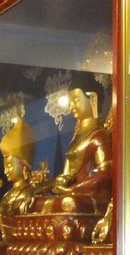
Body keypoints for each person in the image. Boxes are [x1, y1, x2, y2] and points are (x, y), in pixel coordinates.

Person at [36, 72, 113, 214]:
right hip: (72, 194)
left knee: (69, 203)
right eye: (70, 101)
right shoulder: (75, 139)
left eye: (76, 100)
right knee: (38, 203)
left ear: (93, 99)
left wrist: (73, 189)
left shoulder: (99, 135)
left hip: (92, 197)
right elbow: (67, 175)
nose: (71, 106)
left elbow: (105, 174)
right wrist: (50, 185)